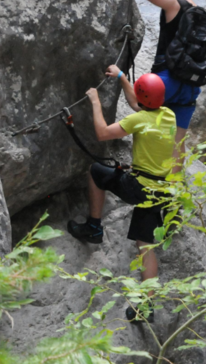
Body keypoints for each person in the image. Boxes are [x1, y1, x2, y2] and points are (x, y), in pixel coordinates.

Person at [67, 67, 177, 323]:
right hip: (162, 192)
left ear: (143, 101)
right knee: (145, 246)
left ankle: (94, 227)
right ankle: (146, 307)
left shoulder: (138, 121)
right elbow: (138, 102)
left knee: (96, 171)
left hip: (139, 188)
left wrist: (95, 101)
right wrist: (121, 77)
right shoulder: (168, 115)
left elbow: (103, 133)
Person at [129, 0, 206, 166]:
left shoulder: (173, 4)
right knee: (177, 144)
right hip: (191, 85)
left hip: (166, 80)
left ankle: (143, 176)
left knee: (137, 106)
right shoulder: (205, 15)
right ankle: (174, 194)